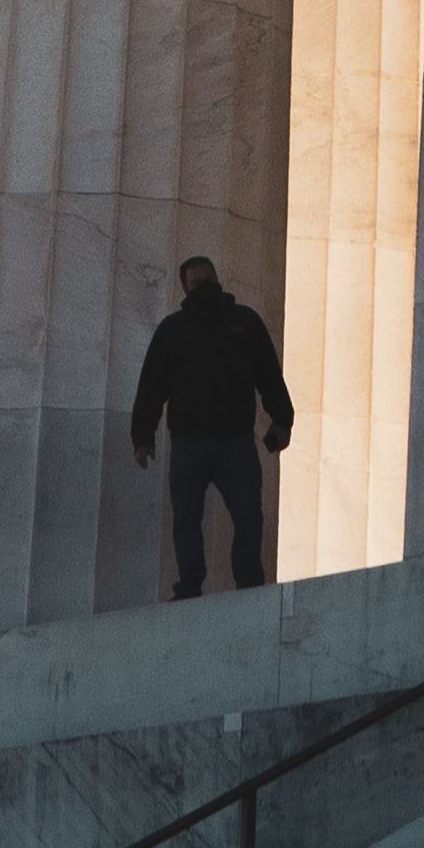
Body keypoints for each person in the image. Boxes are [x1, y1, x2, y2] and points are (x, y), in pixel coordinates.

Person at [128, 254, 294, 598]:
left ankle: (248, 582)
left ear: (218, 280)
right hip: (190, 442)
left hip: (236, 441)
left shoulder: (245, 322)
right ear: (186, 289)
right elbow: (152, 386)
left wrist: (282, 420)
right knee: (187, 519)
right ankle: (190, 584)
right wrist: (142, 436)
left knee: (249, 516)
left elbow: (268, 374)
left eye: (209, 281)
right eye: (198, 284)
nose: (206, 289)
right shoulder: (173, 330)